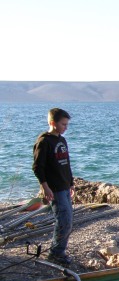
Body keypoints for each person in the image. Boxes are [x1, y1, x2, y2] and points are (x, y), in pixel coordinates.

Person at [32, 108, 75, 265]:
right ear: (52, 123)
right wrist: (45, 186)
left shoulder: (62, 141)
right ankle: (56, 253)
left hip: (64, 185)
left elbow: (66, 164)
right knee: (63, 219)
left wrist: (71, 183)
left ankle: (58, 250)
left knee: (68, 219)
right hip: (54, 188)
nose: (66, 127)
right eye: (63, 124)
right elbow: (38, 167)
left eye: (67, 124)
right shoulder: (44, 142)